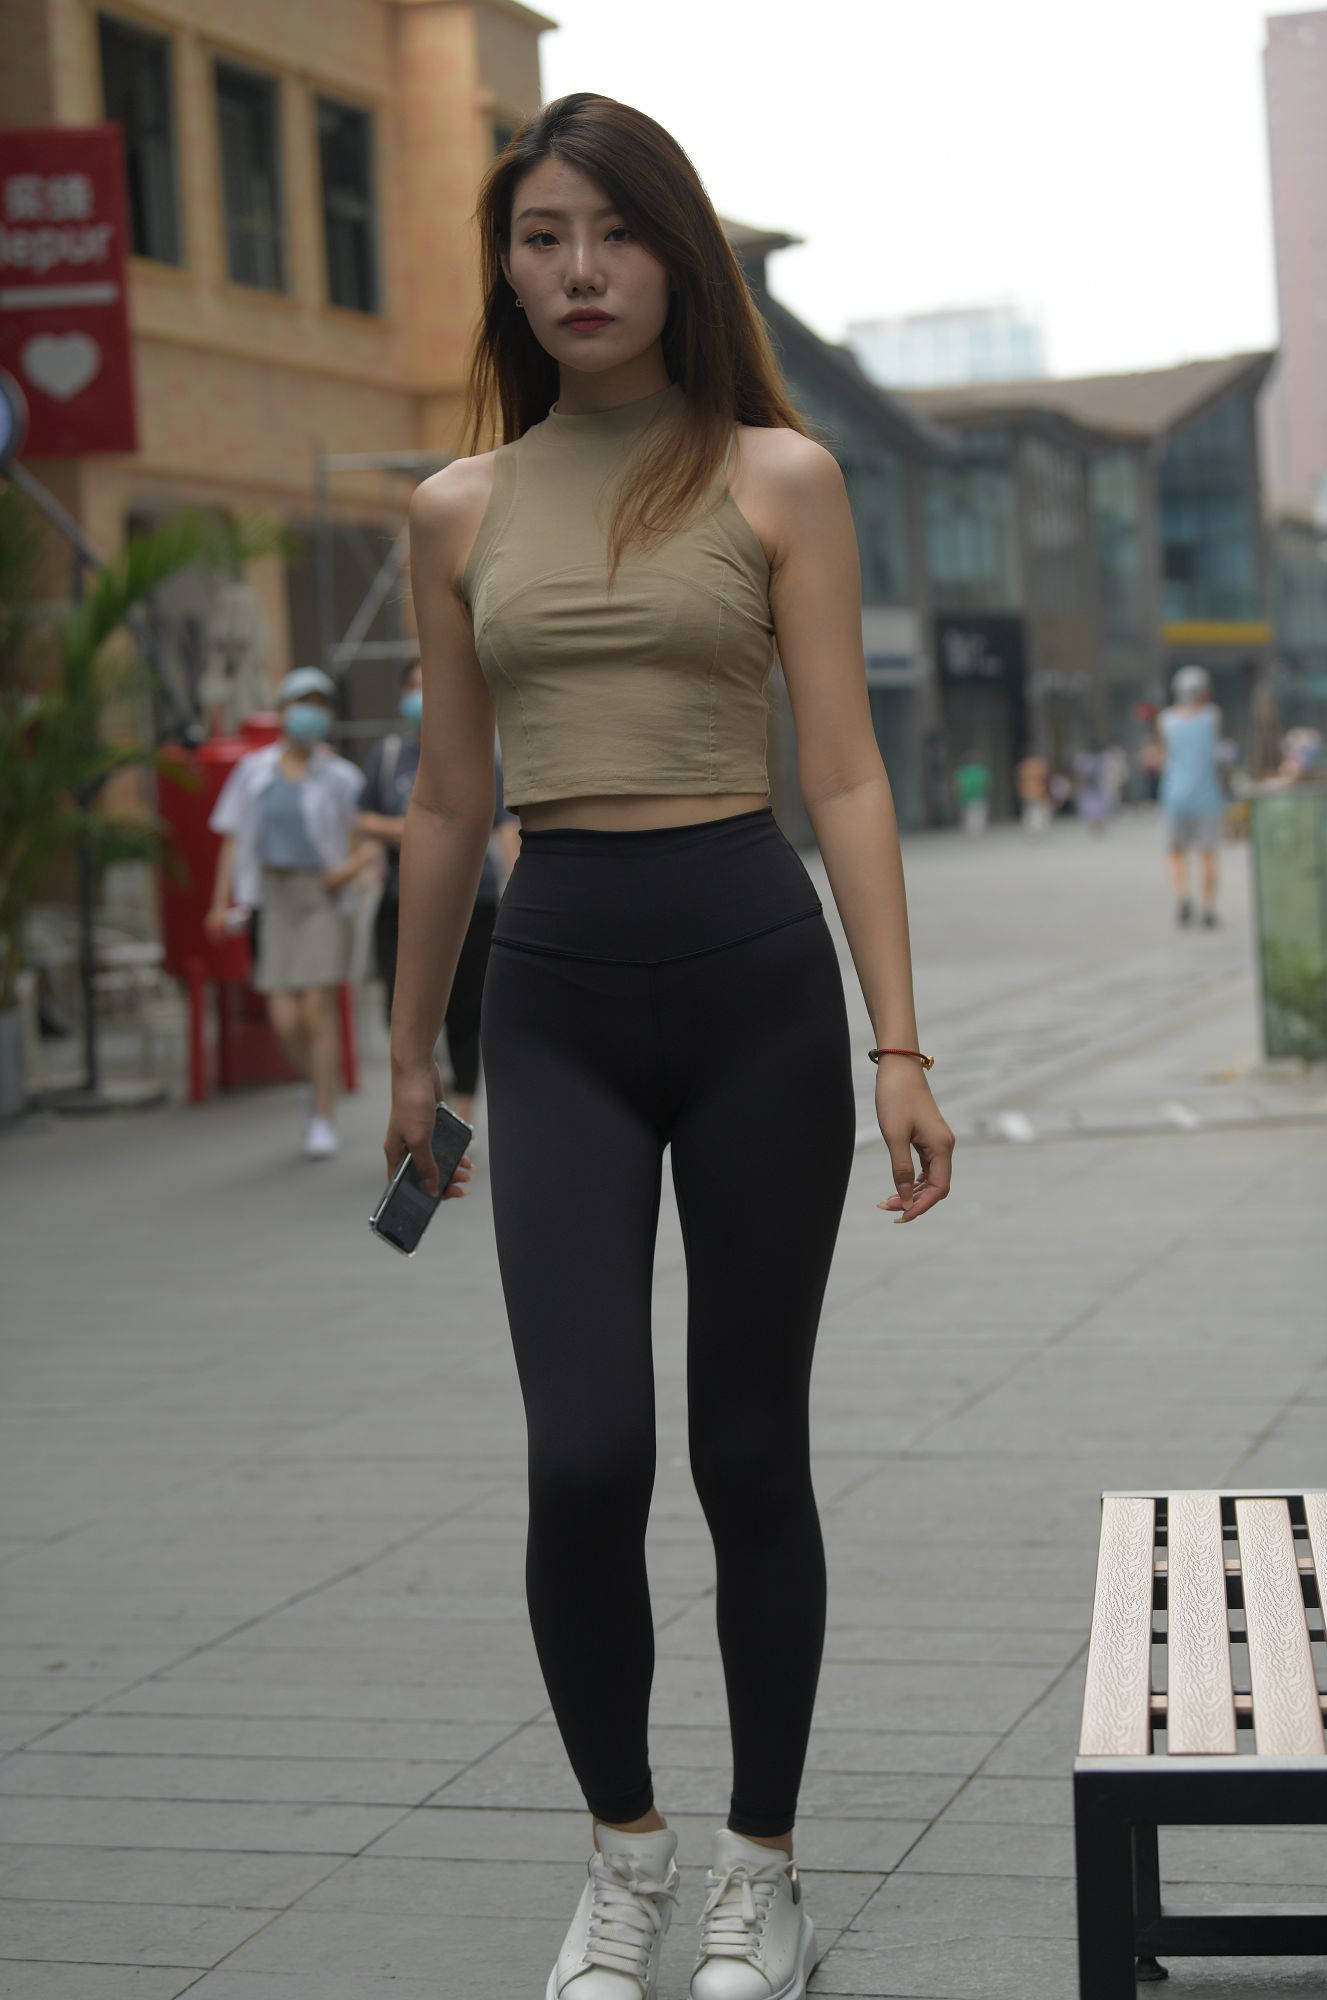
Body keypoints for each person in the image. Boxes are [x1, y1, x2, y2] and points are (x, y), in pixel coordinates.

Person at [386, 92, 954, 2000]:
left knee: (746, 1452)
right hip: (551, 997)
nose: (577, 270)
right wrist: (413, 1060)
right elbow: (449, 804)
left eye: (612, 233)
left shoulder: (780, 477)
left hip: (751, 985)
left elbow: (845, 772)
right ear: (507, 267)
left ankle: (757, 1872)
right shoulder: (454, 508)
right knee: (580, 1456)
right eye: (541, 237)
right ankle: (622, 1858)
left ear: (674, 254)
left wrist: (897, 1045)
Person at [205, 667, 379, 1156]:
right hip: (271, 897)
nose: (311, 714)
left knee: (316, 1010)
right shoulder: (253, 771)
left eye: (320, 705)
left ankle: (322, 1117)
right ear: (282, 710)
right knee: (283, 1018)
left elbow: (367, 843)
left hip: (321, 897)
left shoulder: (342, 777)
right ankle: (314, 1082)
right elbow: (232, 839)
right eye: (302, 703)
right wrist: (219, 903)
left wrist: (347, 871)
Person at [357, 657, 518, 1125]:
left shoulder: (480, 755)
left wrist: (515, 889)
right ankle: (428, 1080)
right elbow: (362, 818)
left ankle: (460, 1116)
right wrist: (415, 830)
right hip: (403, 901)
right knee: (404, 1010)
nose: (423, 695)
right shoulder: (389, 756)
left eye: (431, 683)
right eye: (414, 685)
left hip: (474, 901)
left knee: (468, 1010)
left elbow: (505, 828)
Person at [1157, 664, 1228, 928]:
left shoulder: (1166, 720)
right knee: (1208, 854)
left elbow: (1165, 755)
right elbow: (1218, 754)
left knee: (1176, 852)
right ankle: (1208, 908)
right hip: (1208, 795)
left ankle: (1183, 895)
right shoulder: (1212, 716)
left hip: (1174, 794)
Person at [1015, 749, 1052, 835]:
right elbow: (1046, 779)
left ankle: (1034, 828)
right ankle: (1035, 828)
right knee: (1035, 810)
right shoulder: (1038, 765)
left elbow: (1019, 780)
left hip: (1032, 791)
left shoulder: (1024, 766)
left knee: (1033, 810)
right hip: (1037, 791)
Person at [953, 754, 991, 835]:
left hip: (966, 797)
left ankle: (970, 830)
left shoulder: (962, 772)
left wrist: (958, 794)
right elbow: (986, 783)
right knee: (979, 813)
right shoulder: (981, 771)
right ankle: (979, 830)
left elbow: (958, 785)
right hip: (979, 795)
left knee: (968, 814)